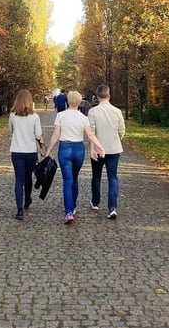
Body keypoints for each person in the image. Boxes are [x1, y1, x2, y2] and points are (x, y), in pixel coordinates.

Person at [45, 90, 105, 224]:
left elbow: (55, 135)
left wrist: (49, 149)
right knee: (75, 177)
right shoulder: (83, 118)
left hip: (65, 148)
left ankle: (68, 211)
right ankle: (74, 207)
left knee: (67, 180)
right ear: (79, 102)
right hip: (79, 149)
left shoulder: (61, 116)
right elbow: (90, 135)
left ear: (67, 101)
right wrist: (100, 146)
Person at [88, 84, 125, 220]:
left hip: (97, 149)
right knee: (113, 177)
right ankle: (112, 207)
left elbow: (91, 132)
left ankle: (96, 201)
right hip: (114, 148)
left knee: (96, 176)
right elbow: (122, 130)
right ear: (109, 96)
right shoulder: (117, 111)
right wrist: (116, 139)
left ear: (97, 97)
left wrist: (92, 148)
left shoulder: (93, 112)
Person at [8, 89, 43, 221]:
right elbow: (38, 135)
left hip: (17, 151)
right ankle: (27, 199)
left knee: (19, 179)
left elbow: (11, 130)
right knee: (28, 177)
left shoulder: (12, 116)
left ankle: (19, 210)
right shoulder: (35, 117)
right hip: (30, 152)